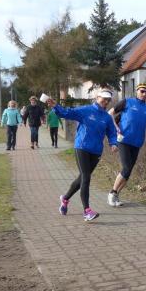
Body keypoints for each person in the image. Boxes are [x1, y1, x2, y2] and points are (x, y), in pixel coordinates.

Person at [46, 89, 118, 222]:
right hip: (82, 147)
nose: (106, 101)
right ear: (97, 97)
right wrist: (56, 106)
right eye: (104, 98)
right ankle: (87, 211)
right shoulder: (86, 110)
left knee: (82, 178)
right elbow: (67, 113)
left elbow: (112, 132)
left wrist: (113, 143)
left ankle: (65, 199)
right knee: (86, 177)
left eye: (108, 100)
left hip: (96, 151)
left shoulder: (107, 117)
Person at [107, 82, 146, 207]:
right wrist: (115, 127)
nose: (144, 94)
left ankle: (116, 195)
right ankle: (112, 193)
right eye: (142, 91)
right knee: (126, 168)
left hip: (137, 143)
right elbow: (110, 113)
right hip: (124, 140)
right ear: (137, 91)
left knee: (128, 171)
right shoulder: (127, 102)